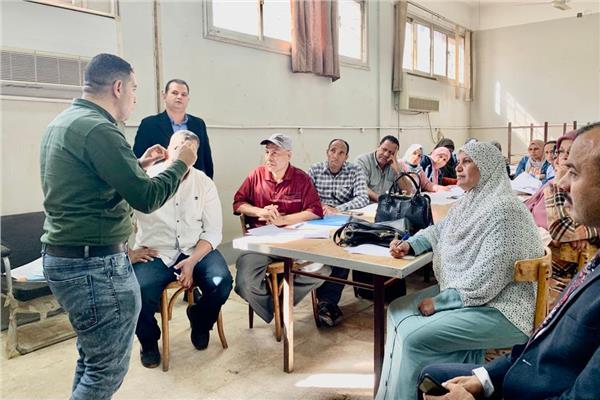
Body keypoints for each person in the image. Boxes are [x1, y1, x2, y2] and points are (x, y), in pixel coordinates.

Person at [40, 53, 197, 400]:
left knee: (92, 359)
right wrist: (181, 163)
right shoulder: (100, 129)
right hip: (93, 266)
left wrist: (136, 164)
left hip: (66, 257)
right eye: (134, 89)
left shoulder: (66, 121)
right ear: (117, 87)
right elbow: (146, 197)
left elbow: (89, 183)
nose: (135, 98)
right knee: (105, 372)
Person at [420, 122, 600, 400]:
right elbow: (543, 341)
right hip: (526, 373)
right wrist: (485, 378)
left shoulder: (504, 208)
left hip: (533, 388)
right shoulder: (595, 262)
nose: (561, 182)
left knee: (420, 349)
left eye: (573, 172)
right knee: (431, 375)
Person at [375, 142, 543, 400]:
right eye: (459, 161)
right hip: (476, 296)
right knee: (397, 309)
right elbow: (441, 229)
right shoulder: (473, 199)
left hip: (503, 308)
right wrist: (411, 244)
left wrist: (441, 302)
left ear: (487, 167)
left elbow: (489, 275)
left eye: (467, 161)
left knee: (411, 337)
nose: (458, 167)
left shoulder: (506, 210)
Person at [130, 130, 232, 369]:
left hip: (195, 248)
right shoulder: (146, 179)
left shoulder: (204, 183)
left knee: (222, 282)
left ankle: (200, 320)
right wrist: (127, 252)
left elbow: (213, 231)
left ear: (195, 156)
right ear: (167, 150)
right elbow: (118, 215)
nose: (183, 154)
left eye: (190, 150)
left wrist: (193, 261)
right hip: (155, 251)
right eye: (178, 148)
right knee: (136, 292)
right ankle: (148, 341)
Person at [233, 133, 324, 323]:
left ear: (289, 155)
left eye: (275, 152)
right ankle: (275, 307)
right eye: (267, 152)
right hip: (261, 244)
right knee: (244, 282)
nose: (269, 157)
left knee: (323, 270)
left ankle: (283, 302)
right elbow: (238, 203)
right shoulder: (256, 175)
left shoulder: (302, 178)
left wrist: (284, 220)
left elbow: (315, 211)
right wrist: (259, 211)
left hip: (294, 244)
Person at [525, 131, 598, 307]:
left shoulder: (583, 193)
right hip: (539, 262)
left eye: (570, 152)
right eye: (561, 152)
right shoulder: (551, 186)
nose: (564, 157)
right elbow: (558, 229)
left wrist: (579, 231)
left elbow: (560, 230)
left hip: (560, 277)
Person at [307, 138, 369, 326]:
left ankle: (327, 302)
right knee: (322, 254)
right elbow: (305, 197)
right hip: (316, 220)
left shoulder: (354, 171)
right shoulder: (314, 170)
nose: (336, 155)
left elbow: (362, 198)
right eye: (333, 151)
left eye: (341, 153)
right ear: (327, 152)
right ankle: (326, 302)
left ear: (346, 157)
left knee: (343, 250)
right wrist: (320, 208)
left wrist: (338, 209)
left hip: (341, 221)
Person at [133, 78, 214, 178]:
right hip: (161, 182)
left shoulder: (198, 124)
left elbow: (206, 159)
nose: (179, 97)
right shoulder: (149, 124)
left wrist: (207, 182)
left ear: (188, 99)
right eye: (175, 93)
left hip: (194, 182)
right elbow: (138, 158)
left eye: (184, 94)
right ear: (164, 95)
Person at [355, 135, 401, 202]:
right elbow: (362, 187)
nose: (386, 154)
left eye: (391, 153)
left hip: (387, 206)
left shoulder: (395, 164)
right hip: (367, 204)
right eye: (384, 149)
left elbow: (408, 191)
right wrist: (381, 200)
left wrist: (398, 171)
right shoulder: (363, 161)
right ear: (378, 146)